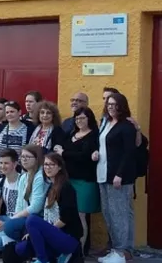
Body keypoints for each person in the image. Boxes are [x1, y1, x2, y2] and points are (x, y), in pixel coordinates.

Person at [93, 93, 138, 263]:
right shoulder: (107, 123)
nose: (111, 107)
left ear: (122, 106)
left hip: (118, 177)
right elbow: (103, 145)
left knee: (119, 215)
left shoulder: (126, 126)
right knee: (108, 213)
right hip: (103, 174)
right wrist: (96, 152)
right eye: (109, 104)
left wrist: (120, 174)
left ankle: (121, 252)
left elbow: (129, 153)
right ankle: (116, 250)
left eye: (114, 104)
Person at [15, 153, 83, 263]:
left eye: (52, 164)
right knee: (21, 248)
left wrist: (45, 230)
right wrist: (36, 232)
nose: (48, 167)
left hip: (68, 238)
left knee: (32, 219)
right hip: (53, 235)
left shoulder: (66, 187)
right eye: (46, 164)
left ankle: (43, 260)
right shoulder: (50, 187)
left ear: (59, 167)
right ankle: (56, 257)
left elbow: (66, 218)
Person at [55, 107, 100, 252]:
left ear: (89, 119)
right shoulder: (72, 134)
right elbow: (62, 148)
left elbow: (85, 156)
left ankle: (80, 251)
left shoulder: (94, 135)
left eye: (82, 118)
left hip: (85, 181)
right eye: (77, 118)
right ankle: (70, 249)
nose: (79, 121)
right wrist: (60, 149)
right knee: (70, 214)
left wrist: (64, 153)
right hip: (69, 180)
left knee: (81, 215)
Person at [0, 145, 48, 250]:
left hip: (37, 218)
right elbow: (19, 204)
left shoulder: (40, 176)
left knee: (5, 232)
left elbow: (36, 207)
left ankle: (27, 246)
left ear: (37, 159)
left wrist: (11, 221)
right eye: (22, 157)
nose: (24, 159)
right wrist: (12, 219)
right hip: (24, 218)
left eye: (28, 157)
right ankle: (21, 245)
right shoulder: (24, 177)